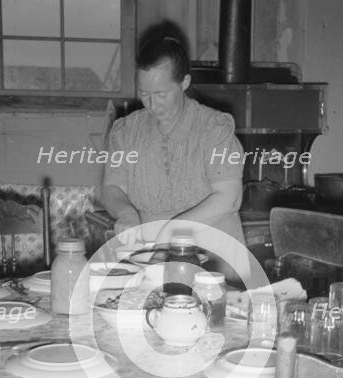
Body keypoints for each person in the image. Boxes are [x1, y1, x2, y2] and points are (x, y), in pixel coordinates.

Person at [101, 26, 251, 283]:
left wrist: (171, 229)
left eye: (161, 94)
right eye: (144, 94)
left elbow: (229, 198)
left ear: (185, 82)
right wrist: (126, 214)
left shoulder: (213, 128)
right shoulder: (126, 131)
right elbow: (112, 188)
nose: (152, 104)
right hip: (152, 260)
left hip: (217, 264)